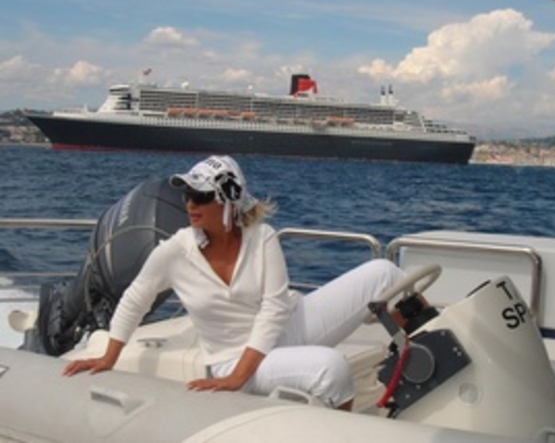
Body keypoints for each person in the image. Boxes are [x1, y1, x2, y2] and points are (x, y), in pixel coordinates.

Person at [63, 155, 406, 411]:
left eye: (201, 196)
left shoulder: (262, 237)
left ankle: (413, 353)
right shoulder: (175, 251)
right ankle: (340, 429)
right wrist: (108, 358)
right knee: (332, 367)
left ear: (227, 200)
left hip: (286, 327)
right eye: (187, 196)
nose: (190, 204)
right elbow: (135, 299)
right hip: (232, 357)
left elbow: (274, 309)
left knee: (383, 273)